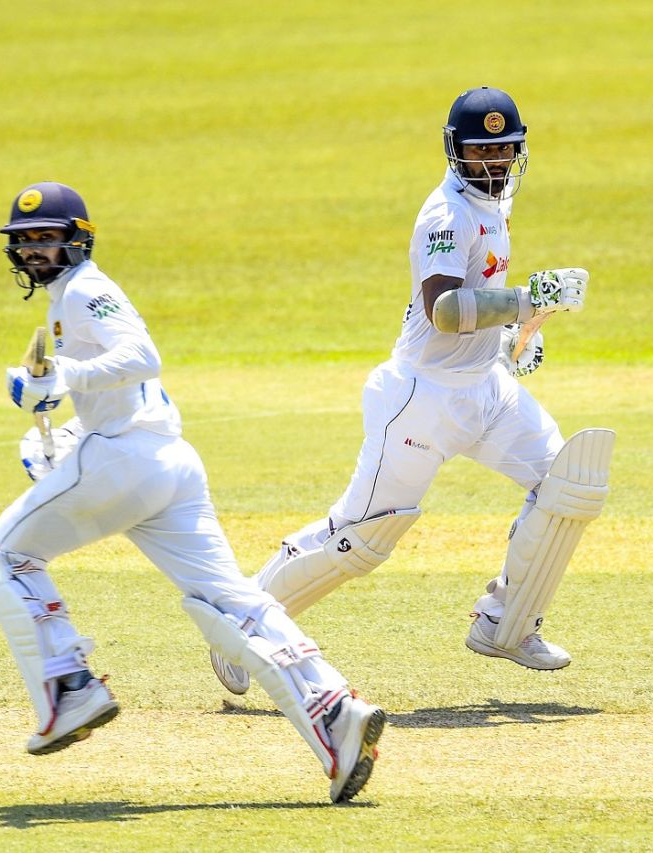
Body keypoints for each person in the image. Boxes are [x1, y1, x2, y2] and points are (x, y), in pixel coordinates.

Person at [0, 181, 384, 804]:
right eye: (24, 241)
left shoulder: (86, 290)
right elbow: (136, 393)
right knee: (227, 600)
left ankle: (69, 689)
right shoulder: (70, 297)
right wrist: (65, 435)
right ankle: (335, 713)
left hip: (127, 459)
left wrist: (63, 380)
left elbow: (142, 356)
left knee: (5, 557)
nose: (33, 251)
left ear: (78, 239)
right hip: (168, 464)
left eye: (46, 238)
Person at [211, 87, 614, 695]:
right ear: (455, 152)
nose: (496, 162)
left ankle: (505, 623)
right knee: (364, 540)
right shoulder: (444, 214)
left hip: (487, 390)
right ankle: (242, 627)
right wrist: (531, 299)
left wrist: (511, 338)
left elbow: (480, 300)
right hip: (420, 399)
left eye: (506, 149)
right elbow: (446, 309)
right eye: (482, 151)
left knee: (569, 484)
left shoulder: (499, 196)